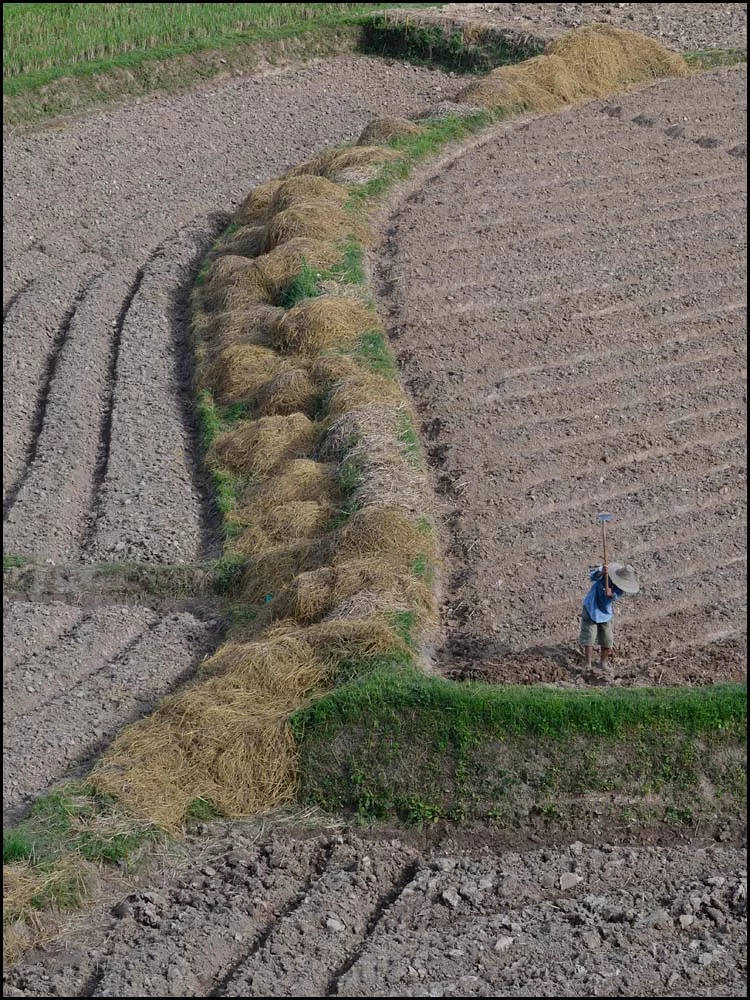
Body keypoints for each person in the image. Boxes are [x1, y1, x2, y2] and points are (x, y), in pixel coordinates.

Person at [579, 562, 639, 669]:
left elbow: (615, 596)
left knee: (607, 638)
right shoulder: (605, 572)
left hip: (604, 612)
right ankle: (587, 663)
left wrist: (610, 594)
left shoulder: (620, 588)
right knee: (590, 635)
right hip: (591, 606)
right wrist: (602, 573)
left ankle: (603, 662)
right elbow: (592, 577)